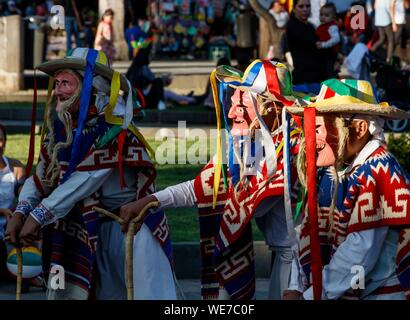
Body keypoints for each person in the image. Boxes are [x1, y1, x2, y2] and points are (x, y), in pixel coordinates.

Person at [119, 60, 301, 300]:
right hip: (284, 260)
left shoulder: (294, 149)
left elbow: (305, 228)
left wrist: (297, 285)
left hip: (303, 264)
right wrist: (149, 200)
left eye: (244, 104)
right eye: (233, 102)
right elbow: (202, 187)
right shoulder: (247, 144)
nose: (231, 112)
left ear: (271, 108)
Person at [5, 48, 177, 300]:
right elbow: (41, 174)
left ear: (90, 87)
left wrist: (38, 216)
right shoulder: (60, 128)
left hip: (132, 231)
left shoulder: (114, 128)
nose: (58, 90)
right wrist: (21, 210)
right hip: (91, 228)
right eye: (57, 83)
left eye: (66, 83)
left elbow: (85, 179)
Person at [284, 79, 410, 300]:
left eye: (319, 128)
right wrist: (297, 284)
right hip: (348, 286)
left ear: (360, 128)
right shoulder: (332, 169)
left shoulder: (379, 171)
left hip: (384, 293)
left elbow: (360, 253)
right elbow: (307, 230)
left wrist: (310, 295)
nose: (310, 138)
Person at [0, 121, 25, 289]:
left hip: (9, 223)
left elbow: (26, 197)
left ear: (5, 141)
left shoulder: (15, 167)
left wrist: (19, 213)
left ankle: (34, 271)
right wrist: (1, 211)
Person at [126, 33, 195, 110]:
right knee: (160, 84)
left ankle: (185, 98)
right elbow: (155, 82)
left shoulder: (132, 68)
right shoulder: (144, 68)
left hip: (135, 100)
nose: (151, 57)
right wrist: (164, 79)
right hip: (142, 100)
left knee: (165, 91)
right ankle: (186, 99)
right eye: (150, 55)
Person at [285, 0, 326, 85]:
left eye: (308, 6)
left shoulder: (310, 26)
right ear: (294, 8)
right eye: (301, 6)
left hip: (317, 75)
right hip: (304, 78)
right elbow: (315, 46)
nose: (305, 9)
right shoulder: (293, 26)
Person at [315, 3, 341, 78]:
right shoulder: (321, 26)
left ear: (333, 17)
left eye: (326, 15)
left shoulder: (332, 27)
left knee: (330, 72)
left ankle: (333, 87)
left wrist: (323, 44)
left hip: (330, 54)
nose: (323, 17)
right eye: (321, 14)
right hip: (323, 54)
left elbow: (336, 39)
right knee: (324, 71)